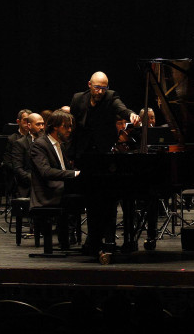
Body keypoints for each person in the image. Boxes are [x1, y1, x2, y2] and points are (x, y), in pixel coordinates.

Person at [70, 71, 139, 253]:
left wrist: (131, 114)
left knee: (106, 198)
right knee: (91, 199)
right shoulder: (78, 99)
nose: (100, 91)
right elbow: (75, 128)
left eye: (104, 87)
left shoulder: (111, 96)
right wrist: (72, 155)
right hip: (84, 156)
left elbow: (121, 108)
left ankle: (105, 239)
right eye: (97, 87)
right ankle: (93, 238)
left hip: (104, 156)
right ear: (89, 85)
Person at [29, 110, 80, 250]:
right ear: (55, 126)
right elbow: (46, 172)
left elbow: (66, 169)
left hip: (60, 188)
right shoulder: (40, 145)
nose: (70, 130)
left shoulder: (59, 144)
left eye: (71, 127)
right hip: (48, 192)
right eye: (66, 126)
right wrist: (74, 174)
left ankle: (74, 240)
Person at [10, 113, 45, 198]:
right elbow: (18, 169)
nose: (41, 127)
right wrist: (34, 180)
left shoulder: (48, 142)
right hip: (29, 183)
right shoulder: (20, 143)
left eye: (42, 124)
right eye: (38, 124)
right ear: (29, 125)